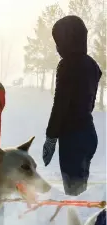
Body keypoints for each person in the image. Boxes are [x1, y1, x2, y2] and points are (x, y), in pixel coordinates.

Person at [42, 15, 102, 196]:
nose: (57, 48)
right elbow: (89, 104)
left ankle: (76, 223)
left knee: (74, 195)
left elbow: (60, 104)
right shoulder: (93, 65)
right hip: (88, 133)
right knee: (80, 189)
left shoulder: (67, 65)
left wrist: (51, 137)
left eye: (59, 42)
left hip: (73, 138)